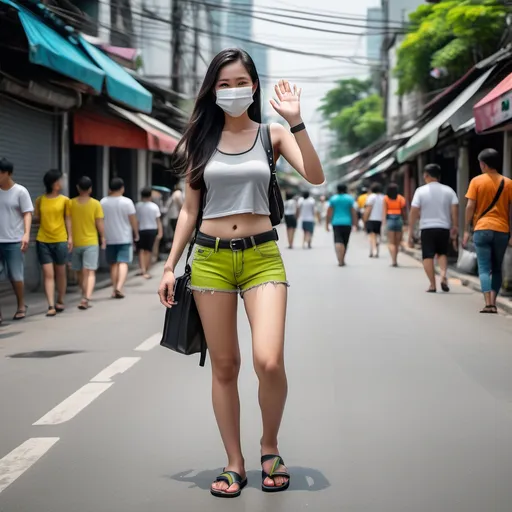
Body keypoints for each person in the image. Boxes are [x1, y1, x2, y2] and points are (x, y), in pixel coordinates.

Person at [158, 48, 324, 498]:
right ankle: (234, 461)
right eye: (224, 84)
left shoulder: (272, 134)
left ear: (254, 86)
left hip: (262, 256)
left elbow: (315, 175)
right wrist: (170, 266)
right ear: (213, 90)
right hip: (210, 259)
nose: (233, 91)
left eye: (241, 82)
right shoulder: (200, 140)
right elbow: (190, 211)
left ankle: (270, 446)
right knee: (225, 366)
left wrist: (296, 121)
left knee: (268, 361)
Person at [463, 149, 512, 313]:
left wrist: (466, 229)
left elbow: (470, 206)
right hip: (502, 230)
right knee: (497, 268)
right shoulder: (508, 183)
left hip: (482, 228)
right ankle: (494, 301)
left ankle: (488, 303)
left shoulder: (476, 181)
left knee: (484, 267)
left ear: (483, 164)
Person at [408, 163, 459, 293]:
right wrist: (455, 226)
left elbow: (414, 211)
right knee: (442, 253)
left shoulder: (420, 191)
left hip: (427, 228)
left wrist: (410, 230)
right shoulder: (449, 190)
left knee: (428, 256)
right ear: (439, 176)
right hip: (443, 228)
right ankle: (443, 275)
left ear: (426, 175)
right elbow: (454, 210)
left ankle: (432, 284)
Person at [34, 169, 72, 317]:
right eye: (59, 180)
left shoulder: (65, 200)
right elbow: (37, 219)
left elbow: (68, 219)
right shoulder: (40, 200)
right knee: (48, 273)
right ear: (53, 183)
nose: (61, 183)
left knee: (60, 272)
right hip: (43, 240)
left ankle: (60, 299)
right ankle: (50, 304)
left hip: (60, 240)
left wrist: (70, 238)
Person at [0, 157, 33, 323]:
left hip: (13, 239)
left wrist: (26, 234)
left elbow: (27, 213)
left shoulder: (20, 191)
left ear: (8, 173)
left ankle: (21, 305)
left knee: (15, 275)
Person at [70, 176, 105, 310]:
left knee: (79, 271)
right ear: (90, 189)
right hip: (91, 241)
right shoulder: (95, 204)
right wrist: (103, 237)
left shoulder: (71, 203)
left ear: (78, 188)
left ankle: (84, 295)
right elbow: (99, 223)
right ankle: (86, 297)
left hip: (76, 243)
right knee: (90, 272)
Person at [101, 178, 139, 299]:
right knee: (123, 262)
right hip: (124, 237)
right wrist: (136, 233)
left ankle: (114, 288)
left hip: (109, 237)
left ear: (109, 188)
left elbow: (100, 220)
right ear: (122, 188)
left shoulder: (103, 202)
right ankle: (119, 287)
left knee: (113, 264)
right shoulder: (127, 202)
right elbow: (133, 219)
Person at [326, 184, 357, 266]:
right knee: (345, 241)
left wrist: (327, 223)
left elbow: (329, 212)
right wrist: (355, 223)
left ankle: (340, 260)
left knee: (338, 240)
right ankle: (342, 259)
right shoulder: (349, 199)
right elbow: (353, 212)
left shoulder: (333, 199)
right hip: (347, 223)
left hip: (336, 222)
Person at [136, 187, 163, 279]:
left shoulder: (137, 206)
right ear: (150, 196)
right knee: (148, 251)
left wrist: (134, 231)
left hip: (140, 230)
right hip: (152, 230)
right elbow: (158, 220)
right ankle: (146, 270)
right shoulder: (154, 206)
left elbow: (136, 220)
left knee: (141, 250)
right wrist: (160, 232)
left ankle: (142, 269)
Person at [383, 183, 407, 267]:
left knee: (391, 242)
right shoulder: (401, 198)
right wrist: (405, 222)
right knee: (397, 242)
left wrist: (383, 223)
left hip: (390, 219)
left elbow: (384, 211)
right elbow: (403, 212)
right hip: (399, 219)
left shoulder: (386, 198)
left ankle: (393, 260)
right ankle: (395, 259)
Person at [363, 182, 385, 258]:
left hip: (371, 219)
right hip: (380, 219)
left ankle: (374, 250)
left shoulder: (371, 197)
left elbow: (368, 209)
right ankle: (374, 250)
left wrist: (365, 219)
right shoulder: (384, 197)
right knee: (377, 235)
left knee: (372, 235)